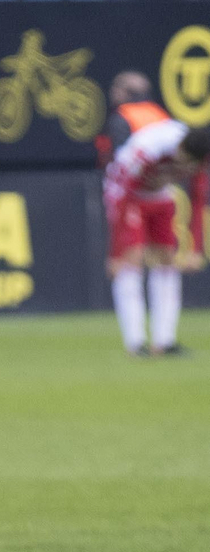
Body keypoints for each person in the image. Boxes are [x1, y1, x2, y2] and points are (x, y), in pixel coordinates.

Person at [101, 73, 208, 356]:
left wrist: (197, 248)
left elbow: (199, 200)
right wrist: (116, 251)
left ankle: (165, 340)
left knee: (166, 260)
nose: (184, 164)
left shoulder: (200, 156)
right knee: (132, 259)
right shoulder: (150, 149)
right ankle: (135, 342)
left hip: (160, 194)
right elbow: (121, 195)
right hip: (128, 194)